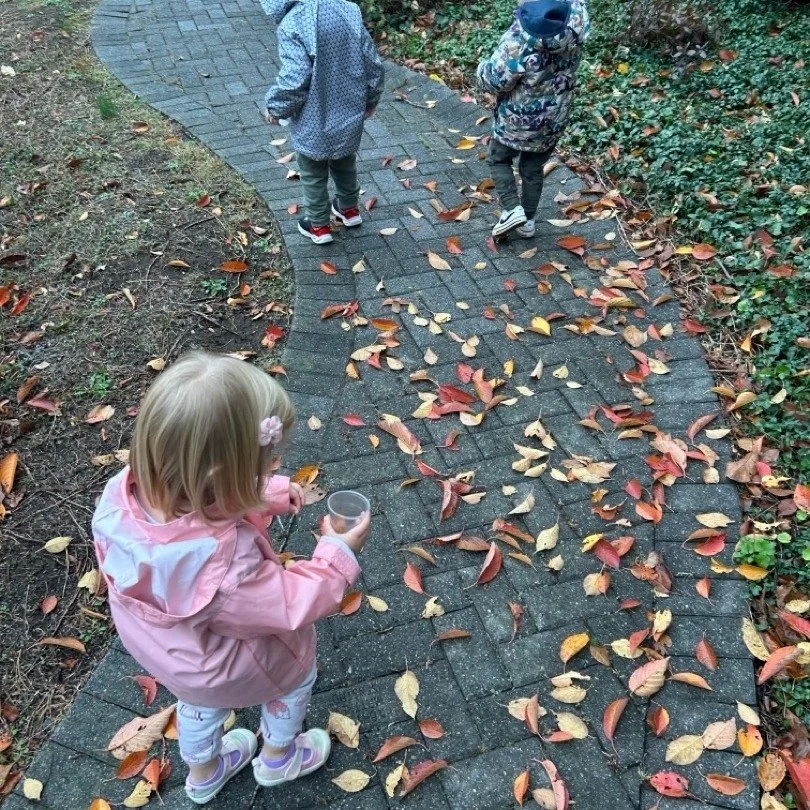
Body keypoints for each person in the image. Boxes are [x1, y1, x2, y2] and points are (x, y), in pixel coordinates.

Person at [92, 353, 369, 805]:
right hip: (230, 663)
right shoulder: (224, 565)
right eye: (264, 465)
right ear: (225, 478)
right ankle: (279, 757)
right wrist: (337, 554)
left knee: (200, 706)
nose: (272, 469)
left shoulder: (123, 494)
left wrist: (269, 492)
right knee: (293, 678)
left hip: (174, 656)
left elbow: (206, 492)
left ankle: (203, 774)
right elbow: (291, 602)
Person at [262, 0, 385, 245]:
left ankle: (318, 224)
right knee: (344, 160)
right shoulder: (347, 9)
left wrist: (275, 106)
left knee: (312, 171)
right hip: (348, 107)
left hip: (313, 115)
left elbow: (296, 78)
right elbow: (372, 61)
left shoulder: (293, 23)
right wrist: (371, 97)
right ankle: (349, 209)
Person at [477, 0, 590, 239]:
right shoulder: (575, 22)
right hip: (554, 118)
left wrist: (481, 70)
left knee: (498, 159)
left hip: (516, 119)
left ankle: (512, 209)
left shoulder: (518, 40)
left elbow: (495, 81)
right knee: (532, 166)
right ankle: (528, 220)